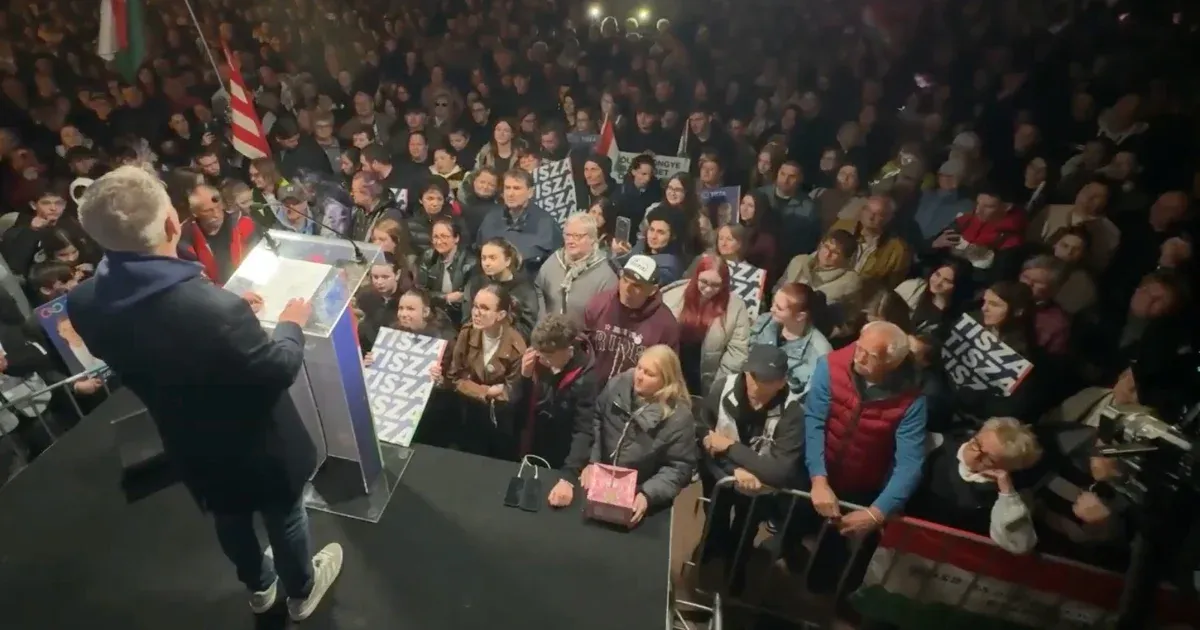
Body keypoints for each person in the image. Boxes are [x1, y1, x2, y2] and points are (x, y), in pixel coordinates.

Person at [65, 166, 342, 621]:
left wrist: (224, 317)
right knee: (285, 514)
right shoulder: (213, 310)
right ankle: (302, 590)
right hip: (261, 440)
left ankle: (259, 586)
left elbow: (154, 342)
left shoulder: (83, 302)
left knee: (229, 516)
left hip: (188, 439)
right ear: (172, 224)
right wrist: (290, 324)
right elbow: (278, 369)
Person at [784, 321, 926, 580]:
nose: (858, 357)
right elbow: (815, 421)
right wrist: (818, 479)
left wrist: (876, 512)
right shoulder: (832, 365)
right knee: (793, 528)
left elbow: (909, 464)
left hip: (860, 484)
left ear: (892, 363)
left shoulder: (911, 400)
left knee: (832, 553)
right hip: (815, 470)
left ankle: (819, 587)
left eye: (869, 355)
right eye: (859, 347)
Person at [547, 345, 697, 526]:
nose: (639, 376)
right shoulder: (618, 384)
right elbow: (596, 420)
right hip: (599, 483)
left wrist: (647, 494)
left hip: (638, 489)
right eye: (639, 368)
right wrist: (592, 461)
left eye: (649, 374)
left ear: (666, 381)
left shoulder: (679, 418)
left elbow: (679, 467)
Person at [696, 345, 804, 577]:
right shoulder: (723, 388)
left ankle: (736, 566)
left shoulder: (792, 412)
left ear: (782, 382)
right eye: (753, 376)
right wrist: (734, 470)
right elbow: (704, 431)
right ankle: (710, 549)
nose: (756, 385)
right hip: (720, 473)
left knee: (746, 527)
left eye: (767, 380)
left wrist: (730, 447)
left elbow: (779, 472)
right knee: (715, 516)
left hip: (760, 488)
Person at [907, 417, 1043, 554]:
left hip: (938, 549)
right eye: (977, 444)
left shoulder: (1001, 496)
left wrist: (1007, 493)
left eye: (989, 459)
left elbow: (1020, 545)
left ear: (1005, 468)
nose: (975, 455)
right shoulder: (939, 446)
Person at [437, 282, 526, 460]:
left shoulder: (516, 346)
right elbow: (454, 377)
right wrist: (486, 391)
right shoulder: (467, 333)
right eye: (475, 306)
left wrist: (469, 384)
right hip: (469, 414)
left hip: (500, 421)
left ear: (501, 314)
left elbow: (512, 394)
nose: (476, 313)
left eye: (484, 308)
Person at [582, 255, 681, 386]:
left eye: (636, 286)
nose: (627, 289)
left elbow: (666, 374)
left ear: (652, 290)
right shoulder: (599, 304)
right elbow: (582, 348)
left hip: (634, 394)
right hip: (592, 389)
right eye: (625, 280)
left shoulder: (666, 326)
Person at [660, 254, 751, 396]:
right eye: (704, 281)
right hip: (669, 370)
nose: (708, 289)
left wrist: (718, 388)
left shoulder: (736, 308)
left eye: (716, 285)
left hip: (705, 379)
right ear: (696, 276)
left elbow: (737, 353)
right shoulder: (671, 296)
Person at [517, 314, 599, 469]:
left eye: (548, 356)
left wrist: (570, 472)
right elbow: (519, 407)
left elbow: (583, 431)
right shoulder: (536, 360)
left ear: (569, 351)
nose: (541, 359)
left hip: (561, 454)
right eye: (538, 352)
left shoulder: (585, 378)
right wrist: (524, 378)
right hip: (532, 445)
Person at [749, 282, 834, 395]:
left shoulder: (820, 354)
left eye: (779, 308)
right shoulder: (765, 321)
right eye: (773, 303)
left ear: (800, 316)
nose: (772, 309)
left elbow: (813, 396)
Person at [535, 213, 617, 325]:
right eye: (567, 235)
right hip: (549, 333)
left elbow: (607, 319)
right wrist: (542, 322)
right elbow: (538, 290)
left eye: (577, 236)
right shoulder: (553, 262)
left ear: (592, 238)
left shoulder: (605, 275)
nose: (570, 241)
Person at [476, 169, 561, 270]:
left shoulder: (546, 224)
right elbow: (478, 253)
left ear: (530, 192)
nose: (510, 194)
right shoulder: (491, 219)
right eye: (507, 188)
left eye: (516, 188)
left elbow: (557, 264)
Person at [462, 238, 538, 340]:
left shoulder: (524, 288)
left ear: (507, 261)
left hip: (510, 343)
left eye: (492, 258)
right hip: (477, 340)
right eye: (483, 258)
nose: (486, 263)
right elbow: (466, 320)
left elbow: (527, 328)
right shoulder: (476, 283)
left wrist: (496, 332)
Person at [415, 217, 477, 326]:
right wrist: (446, 298)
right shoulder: (428, 257)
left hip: (460, 317)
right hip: (434, 314)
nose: (439, 242)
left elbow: (466, 298)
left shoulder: (470, 263)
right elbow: (420, 292)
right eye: (435, 237)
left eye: (444, 236)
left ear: (456, 238)